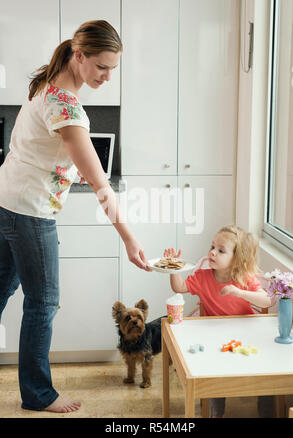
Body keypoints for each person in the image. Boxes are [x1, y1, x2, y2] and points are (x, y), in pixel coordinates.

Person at [0, 20, 151, 413]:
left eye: (113, 68)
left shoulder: (46, 83)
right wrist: (130, 239)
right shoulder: (67, 106)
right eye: (102, 67)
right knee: (43, 303)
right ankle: (38, 395)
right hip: (30, 212)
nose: (108, 76)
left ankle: (36, 390)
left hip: (7, 200)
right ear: (79, 56)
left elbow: (54, 151)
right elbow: (102, 186)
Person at [164, 224, 274, 418]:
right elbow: (179, 287)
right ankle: (217, 412)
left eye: (220, 250)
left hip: (245, 336)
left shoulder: (243, 279)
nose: (212, 252)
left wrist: (240, 292)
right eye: (212, 246)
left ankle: (267, 411)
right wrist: (174, 266)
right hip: (214, 337)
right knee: (214, 369)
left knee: (264, 368)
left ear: (236, 259)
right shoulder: (202, 277)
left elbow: (266, 300)